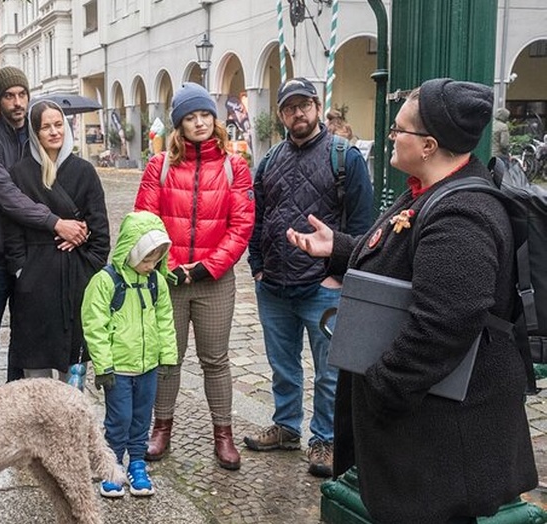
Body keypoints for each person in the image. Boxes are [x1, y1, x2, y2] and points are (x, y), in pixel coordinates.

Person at [285, 78, 537, 522]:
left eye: (398, 129)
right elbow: (404, 256)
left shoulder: (462, 214)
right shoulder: (430, 189)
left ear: (428, 145)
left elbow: (443, 325)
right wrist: (340, 248)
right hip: (427, 432)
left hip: (442, 441)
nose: (390, 137)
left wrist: (382, 385)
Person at [242, 77, 373, 478]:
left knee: (329, 372)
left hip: (322, 287)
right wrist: (258, 267)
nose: (297, 113)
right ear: (281, 115)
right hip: (274, 285)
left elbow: (362, 227)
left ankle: (325, 439)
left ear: (317, 107)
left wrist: (338, 276)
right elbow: (258, 218)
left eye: (304, 105)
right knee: (282, 366)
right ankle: (286, 427)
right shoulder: (269, 161)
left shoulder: (344, 158)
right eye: (289, 108)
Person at [134, 82, 254, 471]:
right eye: (190, 117)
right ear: (179, 125)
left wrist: (207, 267)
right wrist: (167, 265)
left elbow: (241, 226)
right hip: (169, 280)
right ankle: (161, 428)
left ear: (214, 120)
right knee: (167, 358)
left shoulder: (234, 167)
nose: (199, 123)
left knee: (215, 359)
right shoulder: (160, 167)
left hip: (214, 281)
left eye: (205, 115)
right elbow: (145, 221)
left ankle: (223, 434)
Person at [0, 66, 87, 393]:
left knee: (23, 341)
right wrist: (56, 222)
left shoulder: (36, 134)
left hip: (30, 253)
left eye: (22, 94)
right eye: (9, 96)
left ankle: (17, 410)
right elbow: (7, 194)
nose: (17, 102)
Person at [4, 100, 110, 378]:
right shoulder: (20, 173)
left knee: (73, 371)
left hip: (75, 280)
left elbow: (100, 229)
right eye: (46, 127)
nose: (54, 132)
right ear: (35, 132)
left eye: (58, 124)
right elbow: (13, 230)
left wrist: (88, 268)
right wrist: (22, 270)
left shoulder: (84, 171)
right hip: (35, 282)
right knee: (35, 375)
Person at [81, 211, 178, 498]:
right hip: (119, 369)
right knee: (119, 419)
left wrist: (167, 356)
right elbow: (95, 325)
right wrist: (103, 366)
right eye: (146, 259)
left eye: (156, 260)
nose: (151, 266)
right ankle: (111, 465)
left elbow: (165, 320)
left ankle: (137, 462)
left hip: (148, 367)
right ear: (131, 251)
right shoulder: (106, 281)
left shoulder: (156, 282)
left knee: (141, 417)